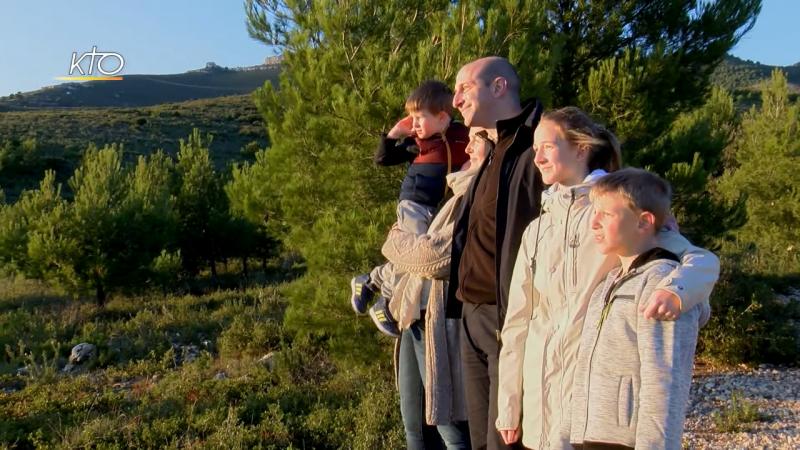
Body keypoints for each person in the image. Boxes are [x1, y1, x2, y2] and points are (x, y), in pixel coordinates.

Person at [495, 107, 720, 449]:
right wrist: (509, 404)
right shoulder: (538, 229)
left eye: (547, 147)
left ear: (580, 148)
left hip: (594, 400)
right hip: (540, 398)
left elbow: (698, 260)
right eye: (534, 148)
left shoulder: (619, 211)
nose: (537, 157)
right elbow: (519, 320)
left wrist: (675, 292)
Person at [570, 168, 711, 450]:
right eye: (594, 213)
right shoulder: (607, 283)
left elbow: (665, 382)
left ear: (644, 222)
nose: (593, 223)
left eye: (606, 214)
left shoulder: (663, 285)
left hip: (628, 442)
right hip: (590, 436)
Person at [381, 127, 494, 449]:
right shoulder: (455, 194)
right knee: (415, 424)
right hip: (416, 315)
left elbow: (432, 257)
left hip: (444, 323)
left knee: (450, 427)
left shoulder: (480, 195)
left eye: (478, 141)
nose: (468, 147)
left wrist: (395, 239)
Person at [350, 80, 470, 338]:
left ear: (441, 117)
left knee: (421, 252)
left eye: (419, 117)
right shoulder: (416, 143)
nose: (413, 123)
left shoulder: (462, 136)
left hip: (438, 206)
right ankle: (387, 306)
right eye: (410, 117)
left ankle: (370, 280)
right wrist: (394, 133)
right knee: (414, 253)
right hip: (413, 203)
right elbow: (382, 159)